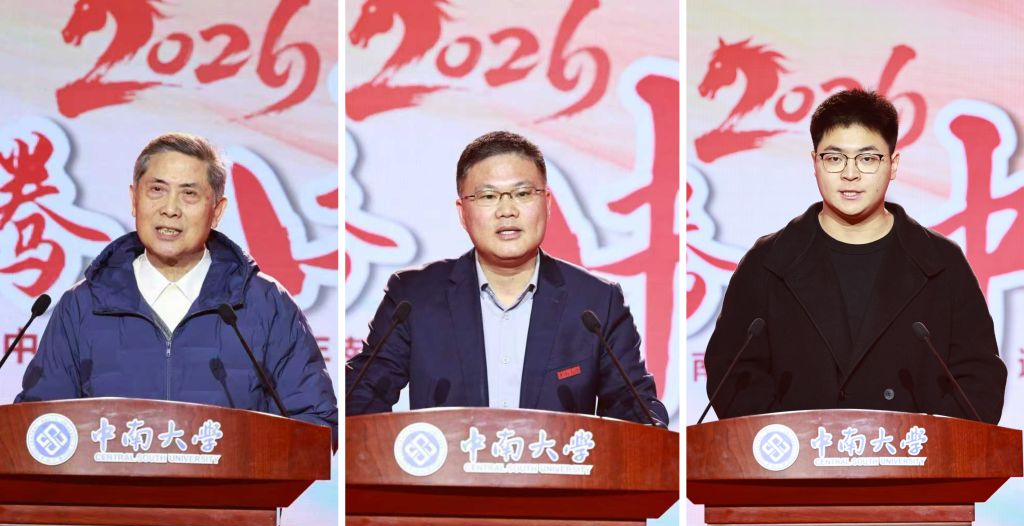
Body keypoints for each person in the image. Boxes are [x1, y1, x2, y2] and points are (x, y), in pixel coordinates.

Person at [705, 89, 1006, 424]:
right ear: (815, 163)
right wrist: (788, 439)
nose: (850, 174)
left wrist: (924, 441)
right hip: (798, 454)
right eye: (834, 158)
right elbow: (734, 374)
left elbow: (979, 379)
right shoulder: (768, 263)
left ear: (893, 165)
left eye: (867, 159)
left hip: (912, 454)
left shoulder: (941, 264)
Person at [17, 133, 338, 443]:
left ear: (217, 211)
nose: (170, 209)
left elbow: (314, 426)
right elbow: (38, 426)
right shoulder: (83, 306)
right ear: (134, 199)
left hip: (235, 484)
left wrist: (246, 458)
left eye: (189, 194)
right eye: (157, 190)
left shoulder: (264, 304)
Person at [346, 131, 667, 425]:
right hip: (449, 471)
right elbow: (360, 400)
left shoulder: (595, 304)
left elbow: (636, 410)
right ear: (462, 212)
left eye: (522, 193)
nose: (507, 210)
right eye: (488, 197)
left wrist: (652, 431)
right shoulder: (414, 298)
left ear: (547, 203)